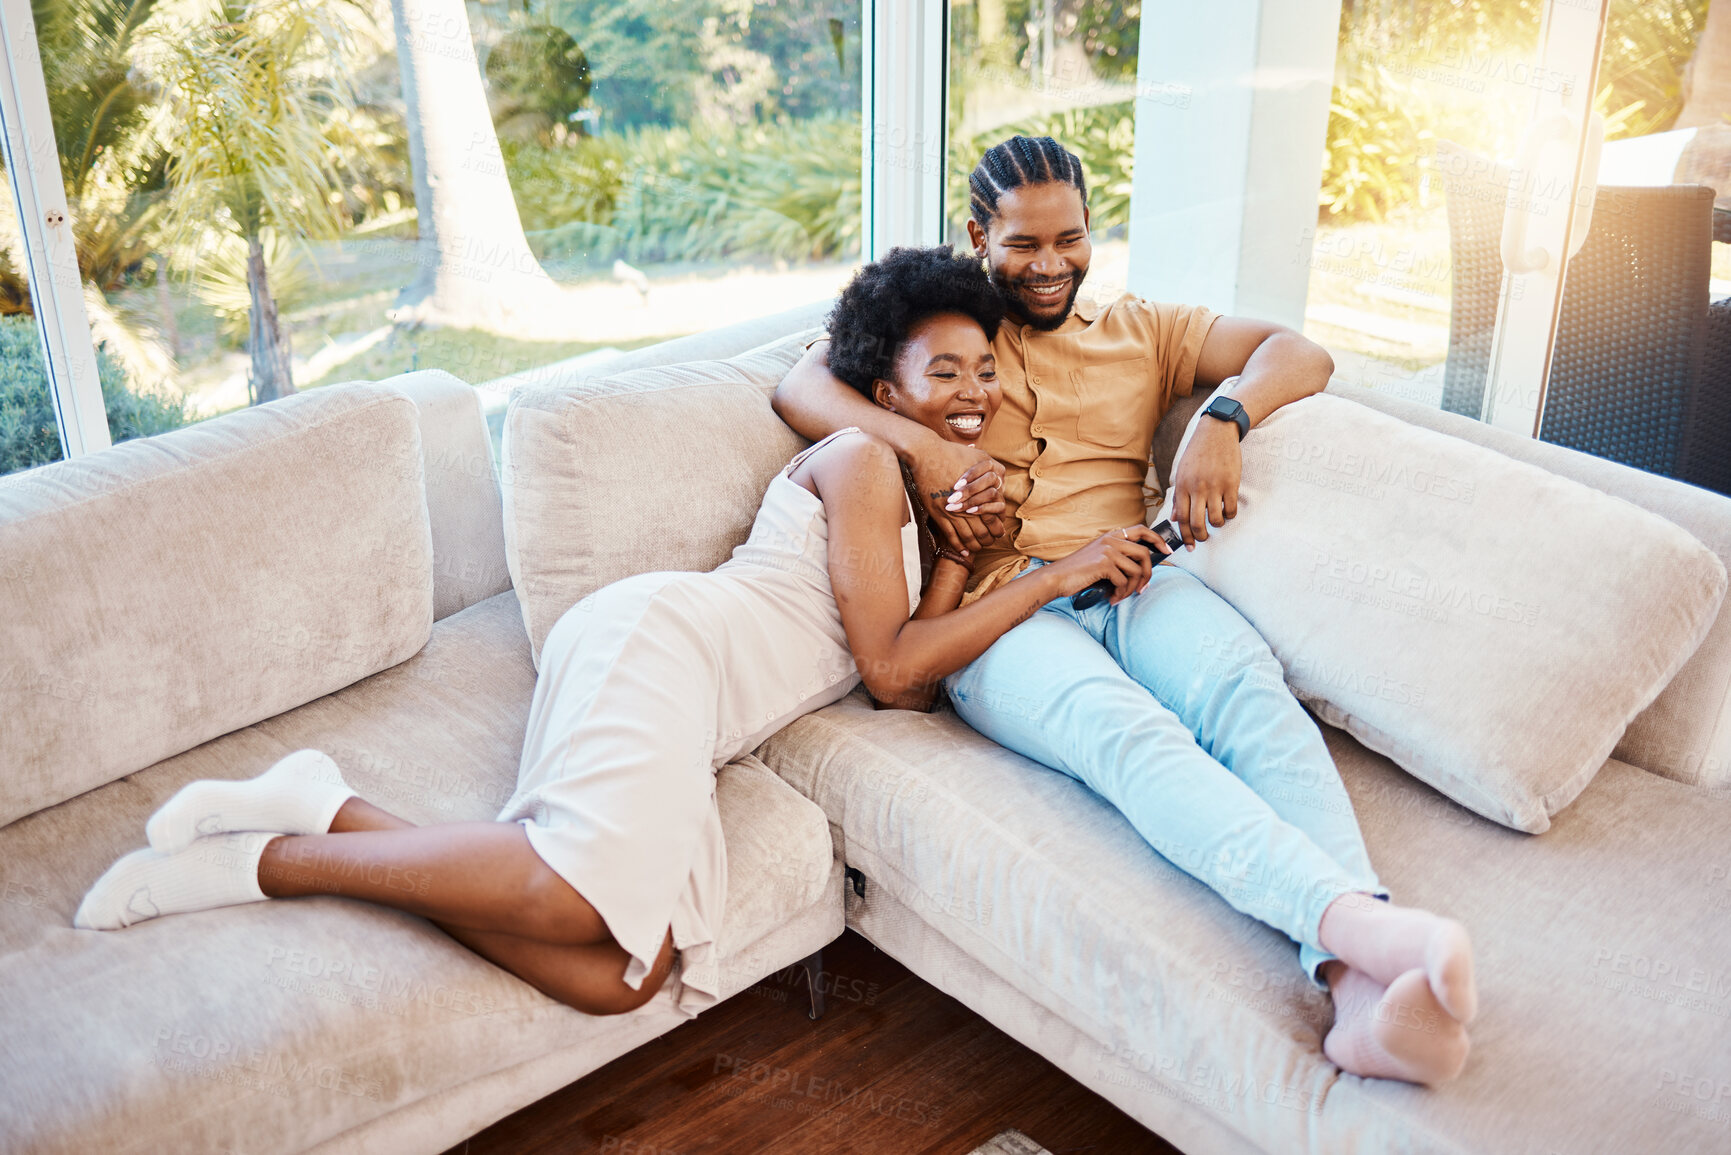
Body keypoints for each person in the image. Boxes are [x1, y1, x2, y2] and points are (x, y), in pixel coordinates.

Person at [72, 246, 1161, 1020]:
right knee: (566, 898)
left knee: (621, 981)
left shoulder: (929, 513)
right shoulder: (867, 460)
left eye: (985, 371)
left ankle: (328, 805)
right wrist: (1055, 575)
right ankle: (272, 862)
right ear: (886, 388)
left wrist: (971, 557)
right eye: (944, 374)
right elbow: (883, 666)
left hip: (699, 716)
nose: (972, 395)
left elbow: (906, 691)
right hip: (665, 646)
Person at [772, 136, 1478, 1085]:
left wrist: (1222, 419)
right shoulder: (952, 332)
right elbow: (800, 382)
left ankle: (1354, 984)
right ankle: (1360, 924)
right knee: (1130, 736)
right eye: (1022, 244)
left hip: (1139, 579)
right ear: (979, 235)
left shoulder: (1141, 327)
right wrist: (929, 454)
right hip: (1001, 613)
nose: (1050, 264)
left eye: (1070, 238)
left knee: (1247, 693)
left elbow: (1296, 351)